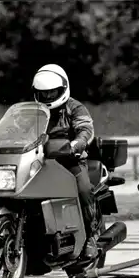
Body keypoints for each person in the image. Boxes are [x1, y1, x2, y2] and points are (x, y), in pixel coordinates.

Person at [32, 64, 99, 259]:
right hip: (41, 162)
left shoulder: (75, 107)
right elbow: (17, 128)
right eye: (43, 93)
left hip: (71, 161)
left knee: (84, 189)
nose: (48, 97)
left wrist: (77, 144)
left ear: (62, 88)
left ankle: (92, 236)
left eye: (52, 92)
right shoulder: (33, 111)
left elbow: (86, 129)